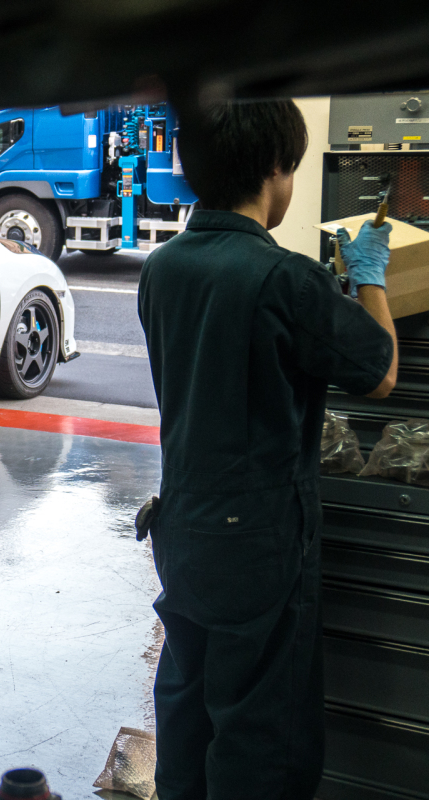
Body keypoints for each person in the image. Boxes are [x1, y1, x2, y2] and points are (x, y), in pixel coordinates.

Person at [137, 100, 397, 799]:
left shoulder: (163, 267)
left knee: (188, 707)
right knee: (261, 738)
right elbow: (379, 370)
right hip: (258, 544)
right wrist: (370, 277)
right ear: (276, 168)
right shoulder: (284, 277)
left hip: (180, 525)